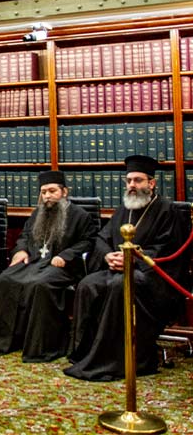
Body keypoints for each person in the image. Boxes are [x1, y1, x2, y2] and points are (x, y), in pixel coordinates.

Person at [64, 155, 188, 381]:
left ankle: (119, 359)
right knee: (88, 284)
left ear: (151, 184)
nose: (132, 185)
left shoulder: (168, 211)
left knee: (121, 285)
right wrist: (108, 256)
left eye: (138, 180)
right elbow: (102, 238)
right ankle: (87, 352)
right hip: (118, 270)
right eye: (129, 180)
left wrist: (132, 260)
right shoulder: (124, 209)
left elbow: (167, 251)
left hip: (153, 279)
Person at [0, 170, 97, 362]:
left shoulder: (80, 215)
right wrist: (21, 250)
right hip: (35, 262)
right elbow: (25, 236)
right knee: (6, 278)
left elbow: (88, 241)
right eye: (44, 192)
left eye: (52, 191)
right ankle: (5, 341)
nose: (47, 196)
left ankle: (41, 346)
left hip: (64, 267)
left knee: (39, 284)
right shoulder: (38, 213)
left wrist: (66, 255)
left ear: (64, 192)